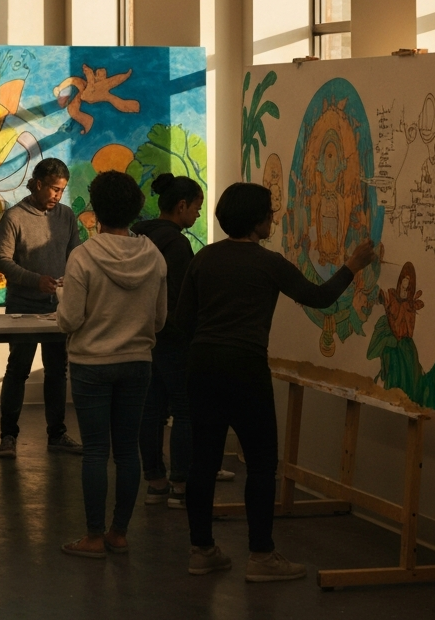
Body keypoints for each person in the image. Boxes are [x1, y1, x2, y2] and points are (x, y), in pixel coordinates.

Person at [176, 182, 376, 582]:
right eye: (269, 213)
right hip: (246, 367)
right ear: (256, 221)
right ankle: (261, 557)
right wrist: (353, 265)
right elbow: (319, 297)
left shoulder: (204, 258)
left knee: (203, 461)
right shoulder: (268, 263)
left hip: (203, 364)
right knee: (262, 463)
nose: (273, 218)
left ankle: (201, 551)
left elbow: (182, 322)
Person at [57, 170, 167, 558]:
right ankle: (119, 533)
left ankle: (92, 536)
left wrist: (62, 305)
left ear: (97, 210)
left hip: (92, 363)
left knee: (95, 451)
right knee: (126, 451)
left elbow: (69, 320)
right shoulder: (153, 255)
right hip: (137, 362)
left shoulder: (83, 256)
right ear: (136, 209)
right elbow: (159, 320)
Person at [134, 174, 234, 511]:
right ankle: (180, 483)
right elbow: (180, 300)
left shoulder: (139, 235)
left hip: (143, 336)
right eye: (196, 208)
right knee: (185, 410)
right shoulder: (176, 244)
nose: (198, 214)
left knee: (151, 410)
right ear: (181, 206)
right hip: (173, 338)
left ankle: (155, 483)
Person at [0, 158, 83, 459]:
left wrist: (70, 279)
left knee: (57, 371)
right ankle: (8, 436)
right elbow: (2, 261)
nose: (58, 195)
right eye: (54, 189)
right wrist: (36, 281)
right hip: (22, 305)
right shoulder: (14, 217)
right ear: (39, 184)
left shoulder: (67, 216)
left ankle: (57, 435)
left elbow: (75, 255)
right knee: (18, 369)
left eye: (62, 190)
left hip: (57, 308)